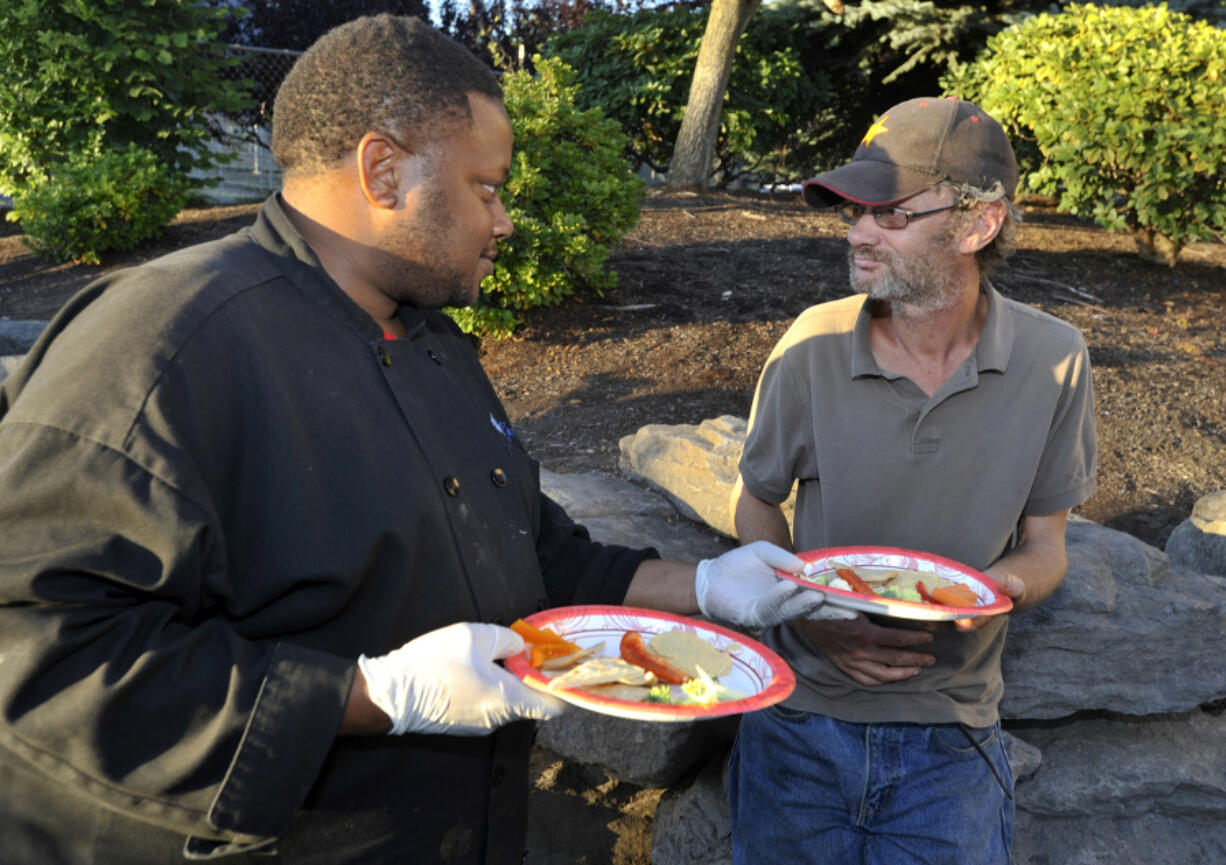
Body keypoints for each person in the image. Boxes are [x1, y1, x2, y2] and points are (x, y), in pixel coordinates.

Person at [0, 16, 825, 865]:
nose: (503, 221)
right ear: (383, 170)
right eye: (486, 187)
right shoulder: (168, 341)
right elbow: (37, 652)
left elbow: (534, 549)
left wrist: (709, 585)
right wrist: (372, 696)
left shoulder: (429, 340)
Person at [728, 97, 1097, 864]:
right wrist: (811, 618)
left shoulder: (1055, 359)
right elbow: (758, 502)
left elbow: (1047, 547)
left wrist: (991, 592)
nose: (861, 232)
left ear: (976, 225)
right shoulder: (812, 345)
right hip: (798, 724)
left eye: (890, 214)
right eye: (855, 212)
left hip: (953, 740)